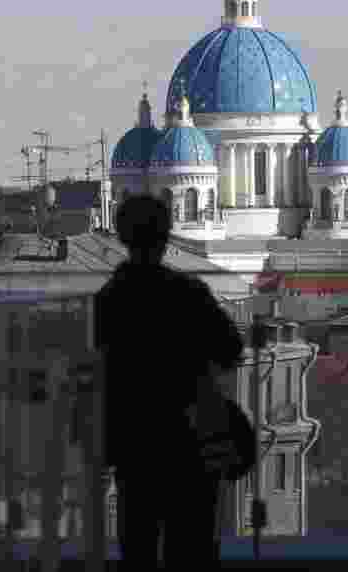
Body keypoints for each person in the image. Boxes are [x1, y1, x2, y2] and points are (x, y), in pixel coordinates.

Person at [94, 194, 243, 569]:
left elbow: (94, 372)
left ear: (123, 236)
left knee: (139, 549)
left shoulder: (109, 301)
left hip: (134, 448)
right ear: (166, 235)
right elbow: (230, 348)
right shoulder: (188, 294)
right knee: (192, 549)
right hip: (189, 446)